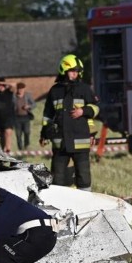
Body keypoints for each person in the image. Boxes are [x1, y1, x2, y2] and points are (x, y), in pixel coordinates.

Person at [40, 54, 100, 191]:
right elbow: (47, 114)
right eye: (72, 70)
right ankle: (58, 203)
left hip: (80, 140)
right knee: (57, 176)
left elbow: (96, 108)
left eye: (77, 71)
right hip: (60, 142)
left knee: (83, 176)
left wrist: (83, 111)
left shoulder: (84, 89)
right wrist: (44, 134)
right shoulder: (55, 91)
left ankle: (86, 202)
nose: (75, 74)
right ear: (64, 70)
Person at [14, 82, 35, 150]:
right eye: (19, 89)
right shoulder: (14, 96)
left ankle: (26, 145)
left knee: (27, 132)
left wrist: (28, 106)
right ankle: (20, 148)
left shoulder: (27, 95)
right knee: (18, 134)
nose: (20, 90)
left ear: (24, 89)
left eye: (22, 89)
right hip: (17, 117)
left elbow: (34, 104)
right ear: (17, 89)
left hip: (26, 117)